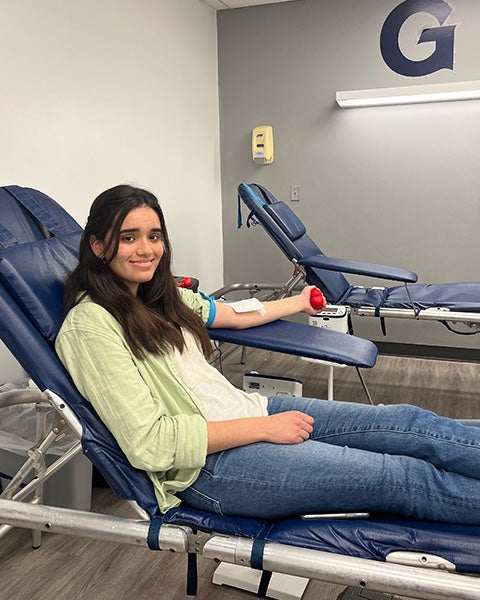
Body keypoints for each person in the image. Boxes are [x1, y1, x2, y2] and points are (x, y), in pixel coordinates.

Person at [56, 184, 480, 525]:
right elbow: (151, 444)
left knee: (407, 423)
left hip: (249, 411)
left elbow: (236, 314)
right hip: (209, 468)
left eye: (154, 236)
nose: (146, 249)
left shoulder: (162, 297)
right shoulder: (91, 325)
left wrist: (298, 303)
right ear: (98, 246)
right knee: (401, 476)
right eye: (128, 238)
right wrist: (261, 428)